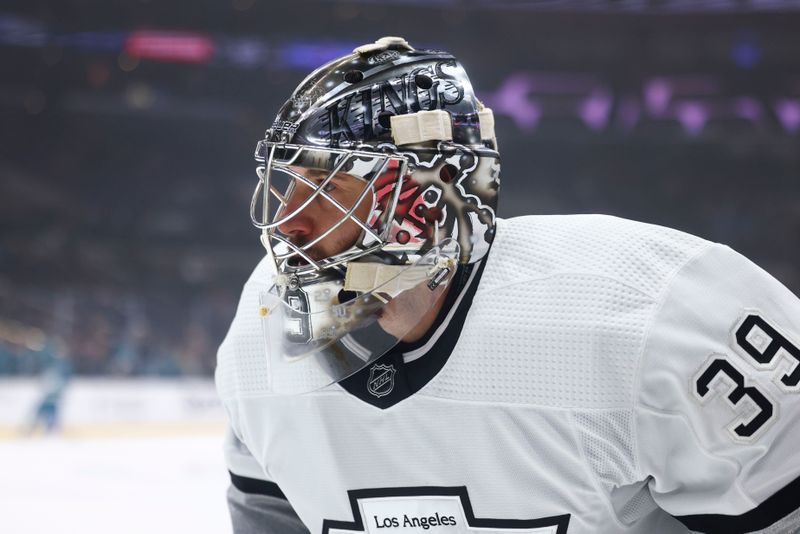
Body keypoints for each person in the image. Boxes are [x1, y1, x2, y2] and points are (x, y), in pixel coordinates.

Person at [215, 37, 800, 534]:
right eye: (284, 186)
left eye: (324, 189)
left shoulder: (644, 305)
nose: (288, 220)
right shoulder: (263, 331)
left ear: (423, 193)